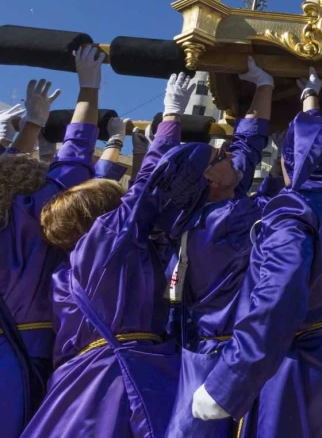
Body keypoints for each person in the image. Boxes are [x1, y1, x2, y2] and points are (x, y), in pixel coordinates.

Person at [24, 76, 229, 437]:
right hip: (125, 379)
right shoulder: (103, 242)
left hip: (81, 384)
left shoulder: (74, 266)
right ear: (98, 213)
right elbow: (146, 186)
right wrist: (171, 117)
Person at [191, 68, 322, 436]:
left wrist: (230, 381)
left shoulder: (293, 210)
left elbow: (279, 298)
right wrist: (318, 98)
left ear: (289, 159)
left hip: (298, 365)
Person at [163, 64, 272, 437]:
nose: (226, 152)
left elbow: (246, 148)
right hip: (224, 360)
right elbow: (291, 202)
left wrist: (265, 85)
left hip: (206, 349)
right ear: (210, 179)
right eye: (219, 157)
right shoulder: (227, 218)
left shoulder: (210, 207)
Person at [0, 58, 96, 438]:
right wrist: (89, 88)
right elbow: (75, 154)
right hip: (41, 352)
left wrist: (31, 126)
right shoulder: (50, 202)